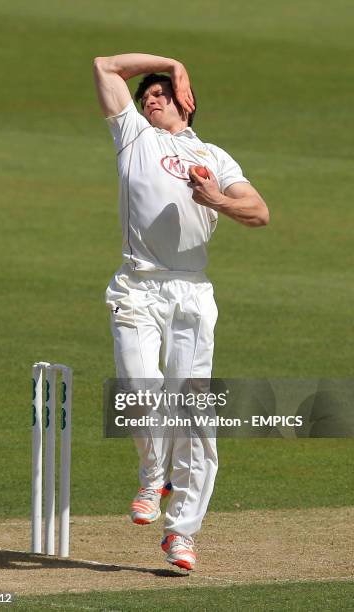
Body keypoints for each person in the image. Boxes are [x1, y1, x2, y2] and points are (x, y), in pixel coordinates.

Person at [93, 53, 269, 570]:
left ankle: (183, 533)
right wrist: (173, 63)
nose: (151, 99)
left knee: (193, 417)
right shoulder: (133, 136)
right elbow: (105, 66)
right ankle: (153, 480)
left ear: (186, 105)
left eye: (161, 93)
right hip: (138, 286)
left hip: (191, 291)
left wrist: (215, 199)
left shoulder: (214, 156)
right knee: (138, 390)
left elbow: (259, 212)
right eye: (146, 95)